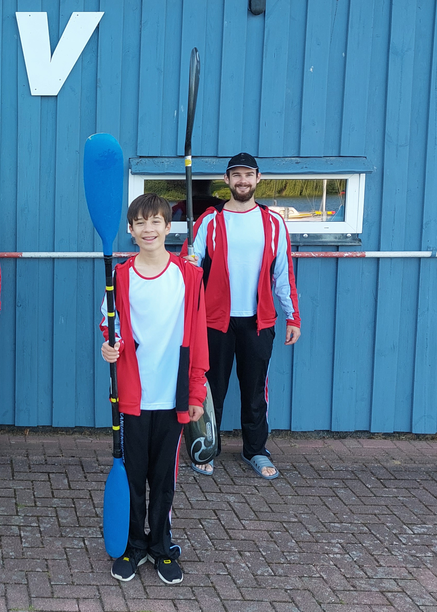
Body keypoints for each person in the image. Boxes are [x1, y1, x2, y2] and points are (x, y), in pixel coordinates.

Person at [100, 193, 208, 585]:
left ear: (167, 226)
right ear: (131, 230)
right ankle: (133, 546)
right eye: (140, 223)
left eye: (155, 222)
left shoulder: (189, 275)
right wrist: (110, 347)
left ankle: (161, 546)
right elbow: (109, 325)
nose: (148, 229)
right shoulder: (120, 276)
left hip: (172, 394)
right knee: (133, 476)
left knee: (163, 480)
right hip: (132, 395)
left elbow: (198, 336)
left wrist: (196, 392)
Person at [188, 153, 301, 479]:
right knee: (210, 390)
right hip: (214, 322)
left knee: (254, 393)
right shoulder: (210, 220)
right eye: (236, 175)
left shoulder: (273, 222)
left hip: (258, 321)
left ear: (257, 178)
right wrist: (189, 264)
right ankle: (205, 448)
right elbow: (189, 272)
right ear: (227, 180)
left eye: (248, 175)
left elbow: (283, 274)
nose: (242, 180)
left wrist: (292, 316)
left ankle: (255, 450)